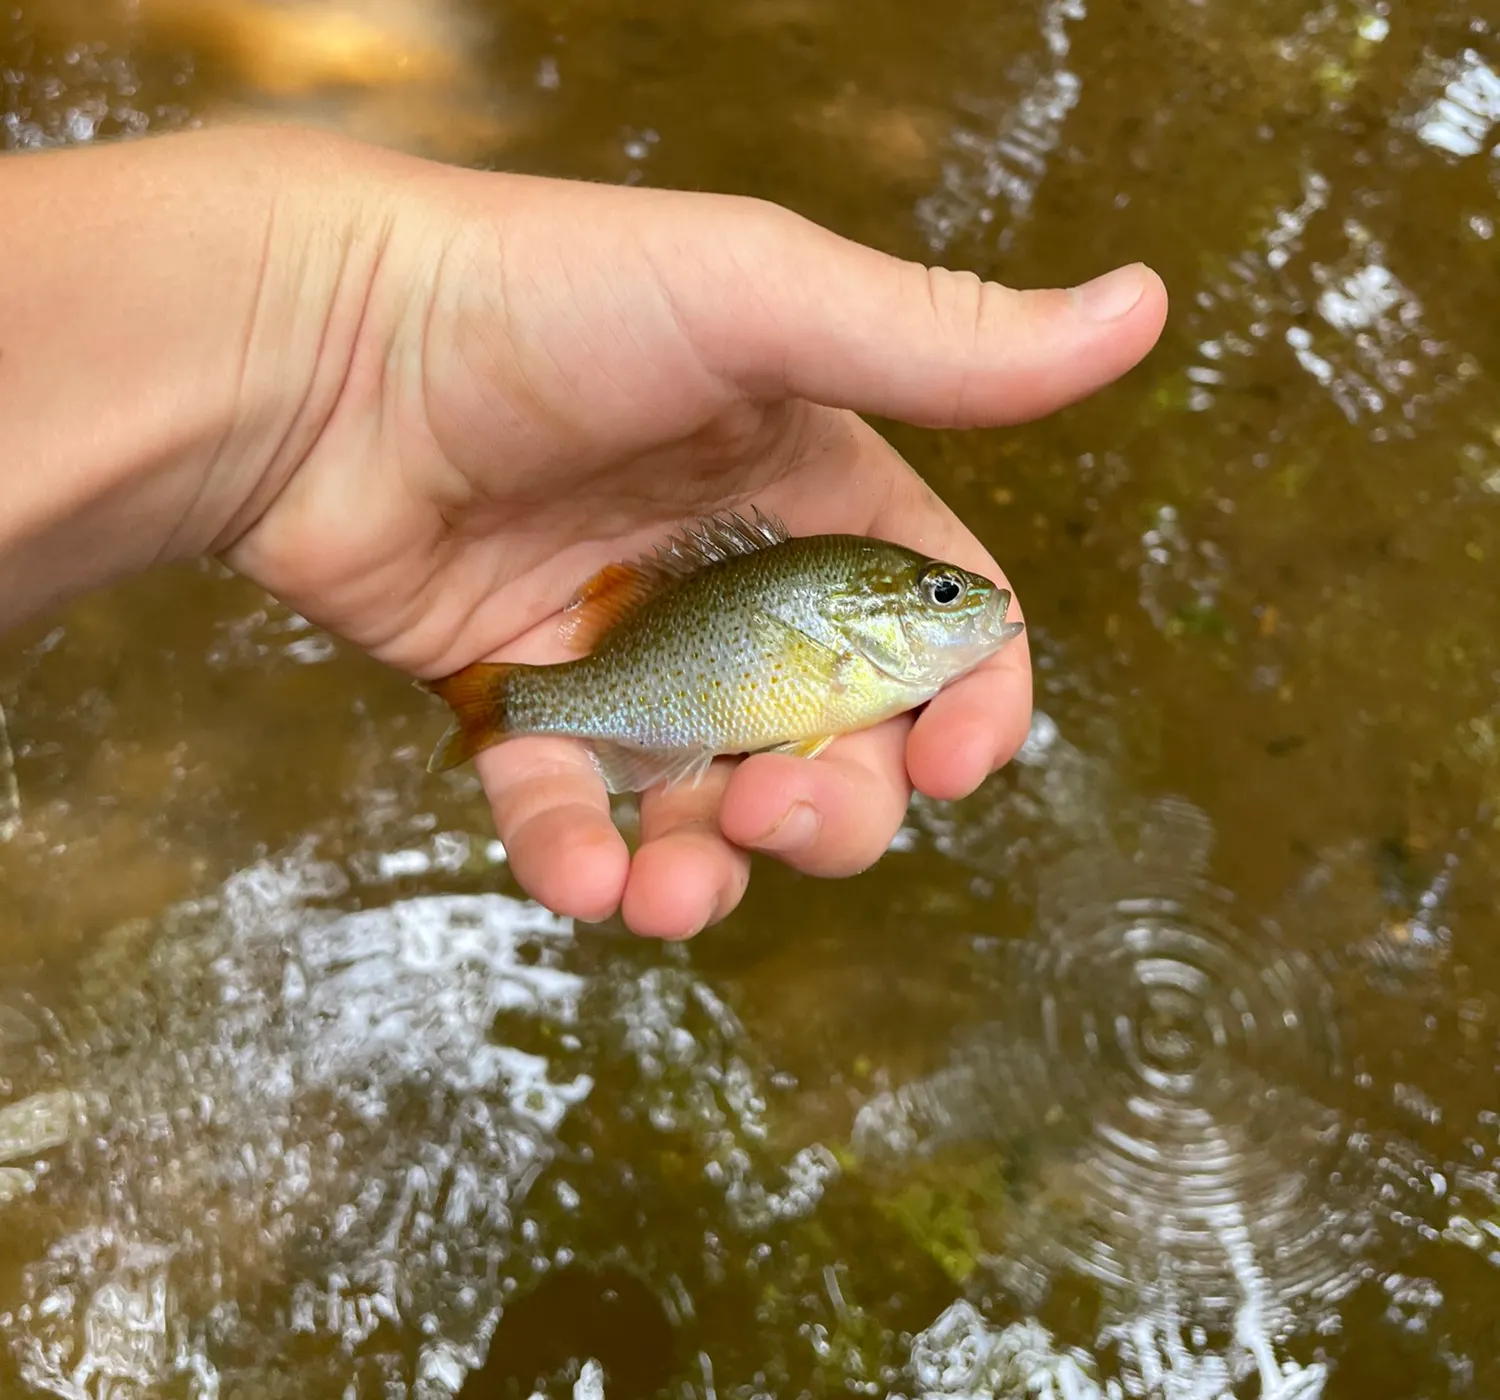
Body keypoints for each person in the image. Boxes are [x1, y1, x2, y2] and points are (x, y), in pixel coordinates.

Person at [0, 124, 1168, 939]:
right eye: (944, 598)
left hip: (653, 687)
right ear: (880, 612)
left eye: (949, 595)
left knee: (738, 808)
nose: (972, 607)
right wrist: (336, 351)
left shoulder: (845, 626)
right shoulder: (837, 621)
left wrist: (330, 357)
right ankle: (507, 701)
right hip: (649, 670)